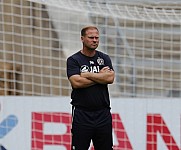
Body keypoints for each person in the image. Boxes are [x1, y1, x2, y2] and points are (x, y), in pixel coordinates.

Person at [66, 26, 115, 150]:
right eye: (91, 37)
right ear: (82, 39)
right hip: (82, 114)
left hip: (102, 113)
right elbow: (76, 82)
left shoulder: (104, 58)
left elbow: (110, 79)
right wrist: (100, 76)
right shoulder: (74, 60)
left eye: (97, 38)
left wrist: (88, 75)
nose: (94, 40)